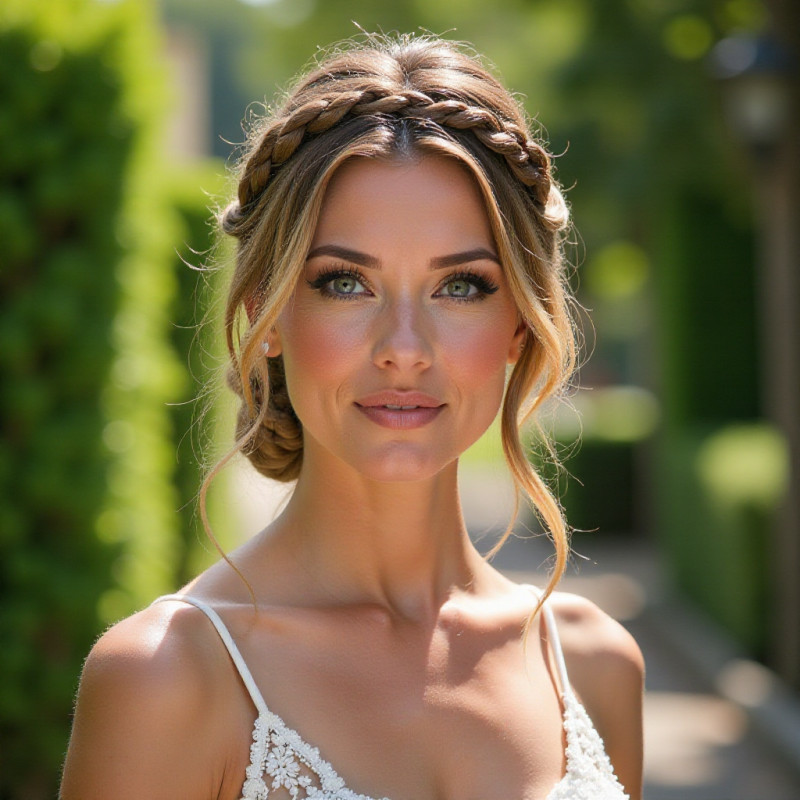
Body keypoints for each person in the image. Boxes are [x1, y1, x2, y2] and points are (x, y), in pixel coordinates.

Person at [61, 33, 644, 800]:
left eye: (460, 286)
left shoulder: (595, 667)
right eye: (345, 282)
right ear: (268, 317)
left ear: (519, 322)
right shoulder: (167, 677)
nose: (404, 349)